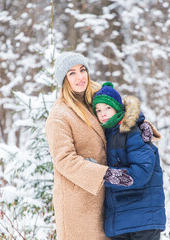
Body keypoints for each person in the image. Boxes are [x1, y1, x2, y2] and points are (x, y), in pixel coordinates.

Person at [45, 52, 150, 240]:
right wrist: (104, 173)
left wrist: (141, 124)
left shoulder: (97, 96)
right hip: (78, 205)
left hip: (107, 200)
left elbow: (122, 113)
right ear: (64, 80)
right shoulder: (59, 116)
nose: (80, 77)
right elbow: (64, 160)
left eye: (82, 70)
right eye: (72, 73)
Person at [92, 82, 166, 240]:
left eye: (107, 108)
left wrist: (101, 175)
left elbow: (141, 173)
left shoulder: (132, 133)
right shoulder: (108, 135)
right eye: (98, 110)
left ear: (117, 108)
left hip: (143, 219)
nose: (103, 113)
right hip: (121, 220)